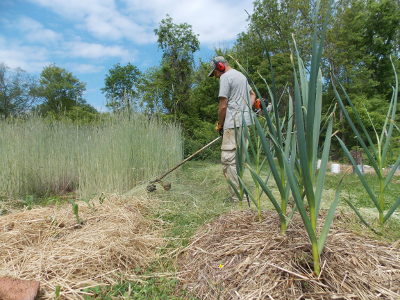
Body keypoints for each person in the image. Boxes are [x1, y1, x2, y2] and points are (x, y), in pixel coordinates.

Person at [208, 56, 256, 202]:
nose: (215, 76)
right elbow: (252, 94)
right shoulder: (241, 76)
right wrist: (246, 109)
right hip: (246, 123)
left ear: (220, 67)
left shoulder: (226, 77)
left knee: (228, 160)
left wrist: (220, 124)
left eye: (215, 72)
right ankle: (241, 192)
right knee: (239, 159)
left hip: (232, 123)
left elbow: (223, 105)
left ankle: (237, 196)